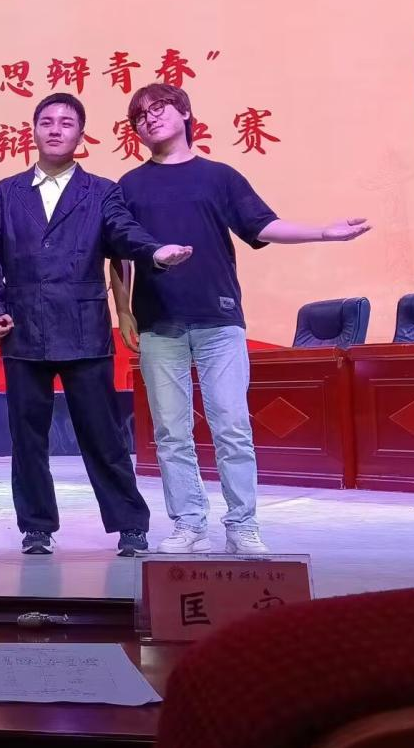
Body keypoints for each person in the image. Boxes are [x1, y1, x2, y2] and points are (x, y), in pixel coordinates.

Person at [110, 83, 371, 555]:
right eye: (139, 116)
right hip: (158, 323)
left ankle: (242, 524)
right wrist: (124, 310)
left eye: (159, 107)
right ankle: (189, 524)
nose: (150, 118)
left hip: (219, 319)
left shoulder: (219, 177)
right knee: (170, 434)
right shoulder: (129, 185)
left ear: (185, 113)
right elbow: (120, 252)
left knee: (231, 426)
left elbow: (262, 225)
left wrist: (324, 233)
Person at [0, 92, 193, 557]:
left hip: (83, 328)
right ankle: (36, 527)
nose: (55, 129)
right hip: (22, 327)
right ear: (33, 131)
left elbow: (122, 233)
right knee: (27, 438)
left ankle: (130, 525)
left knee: (103, 435)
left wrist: (154, 251)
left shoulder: (101, 190)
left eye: (66, 123)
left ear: (81, 135)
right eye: (47, 121)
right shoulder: (7, 191)